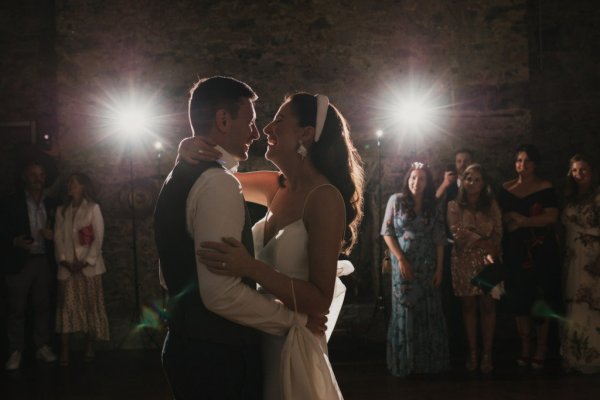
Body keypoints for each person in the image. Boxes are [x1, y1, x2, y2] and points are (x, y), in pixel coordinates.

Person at [181, 91, 364, 399]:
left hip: (293, 346)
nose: (266, 129)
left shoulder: (324, 198)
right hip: (258, 334)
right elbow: (215, 177)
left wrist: (250, 267)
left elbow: (320, 301)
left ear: (306, 134)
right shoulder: (275, 185)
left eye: (279, 120)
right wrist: (187, 147)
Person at [154, 76, 326, 400]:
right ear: (222, 120)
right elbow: (220, 294)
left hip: (200, 344)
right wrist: (292, 321)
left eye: (274, 123)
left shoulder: (182, 175)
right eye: (251, 121)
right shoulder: (217, 182)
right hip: (221, 353)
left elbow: (169, 269)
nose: (259, 132)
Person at [381, 162, 449, 377]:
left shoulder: (433, 206)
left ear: (428, 183)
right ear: (407, 179)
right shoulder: (396, 201)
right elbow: (387, 232)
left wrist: (439, 269)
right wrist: (401, 259)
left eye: (421, 179)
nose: (416, 182)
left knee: (428, 310)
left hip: (427, 264)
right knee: (406, 309)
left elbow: (439, 239)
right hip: (404, 266)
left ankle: (427, 363)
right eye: (412, 178)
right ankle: (405, 363)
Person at [497, 144, 561, 369]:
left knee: (540, 298)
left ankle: (541, 347)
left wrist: (524, 221)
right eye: (518, 160)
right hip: (515, 250)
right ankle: (525, 346)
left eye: (525, 161)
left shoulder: (545, 187)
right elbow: (499, 218)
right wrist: (509, 220)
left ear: (534, 163)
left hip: (541, 250)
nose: (521, 165)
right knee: (519, 299)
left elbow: (551, 217)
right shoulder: (505, 188)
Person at [1, 162, 57, 370]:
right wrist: (14, 242)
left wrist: (53, 237)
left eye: (41, 174)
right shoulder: (10, 202)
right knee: (16, 309)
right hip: (19, 262)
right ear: (25, 177)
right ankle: (15, 351)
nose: (38, 178)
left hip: (44, 261)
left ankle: (41, 346)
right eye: (33, 174)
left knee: (43, 307)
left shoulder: (51, 202)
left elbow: (60, 230)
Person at [446, 164, 502, 373]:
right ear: (463, 181)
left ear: (483, 183)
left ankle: (487, 353)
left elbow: (498, 231)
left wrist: (492, 248)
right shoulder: (454, 205)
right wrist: (482, 241)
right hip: (464, 261)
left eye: (477, 179)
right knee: (468, 308)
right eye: (469, 179)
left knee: (488, 307)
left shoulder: (492, 205)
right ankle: (473, 352)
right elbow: (457, 233)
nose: (472, 183)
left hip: (488, 261)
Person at [54, 173, 109, 366]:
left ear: (83, 186)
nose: (70, 186)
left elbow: (98, 238)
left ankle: (89, 345)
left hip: (89, 268)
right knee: (67, 308)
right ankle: (65, 349)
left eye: (74, 183)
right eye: (69, 183)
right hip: (68, 269)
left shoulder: (93, 209)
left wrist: (86, 261)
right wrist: (64, 261)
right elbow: (58, 239)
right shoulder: (62, 211)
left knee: (89, 305)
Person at [561, 154, 600, 373]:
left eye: (583, 170)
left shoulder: (598, 197)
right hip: (572, 256)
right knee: (574, 303)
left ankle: (593, 357)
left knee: (591, 303)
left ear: (591, 172)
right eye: (575, 171)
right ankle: (575, 355)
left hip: (592, 255)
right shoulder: (571, 198)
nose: (579, 174)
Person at [435, 149, 474, 366]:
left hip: (473, 248)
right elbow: (430, 206)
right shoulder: (448, 187)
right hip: (450, 248)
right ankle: (454, 346)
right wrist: (444, 184)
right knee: (451, 297)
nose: (461, 164)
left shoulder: (477, 184)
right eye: (458, 161)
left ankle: (471, 348)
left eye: (465, 161)